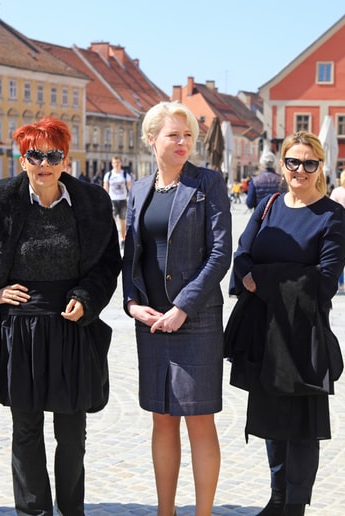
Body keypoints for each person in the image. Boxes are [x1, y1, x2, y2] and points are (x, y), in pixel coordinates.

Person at [0, 117, 121, 515]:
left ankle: (72, 510)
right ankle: (33, 511)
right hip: (17, 329)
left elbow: (109, 261)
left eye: (52, 155)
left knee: (72, 433)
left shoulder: (92, 202)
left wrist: (88, 298)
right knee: (26, 430)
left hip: (71, 326)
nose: (44, 163)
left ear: (64, 159)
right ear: (22, 160)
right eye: (34, 155)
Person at [226, 131, 345, 516]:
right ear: (282, 165)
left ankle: (295, 503)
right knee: (269, 418)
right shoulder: (268, 206)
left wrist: (263, 279)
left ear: (320, 168)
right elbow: (242, 256)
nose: (300, 169)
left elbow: (325, 281)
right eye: (293, 162)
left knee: (301, 424)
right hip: (264, 331)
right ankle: (277, 496)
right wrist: (267, 274)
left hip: (303, 332)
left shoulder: (331, 215)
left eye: (309, 163)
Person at [122, 101, 232, 516]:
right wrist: (133, 303)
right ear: (152, 140)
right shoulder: (137, 190)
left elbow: (221, 253)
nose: (183, 142)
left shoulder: (208, 183)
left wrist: (184, 306)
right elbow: (130, 254)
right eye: (173, 135)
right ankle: (164, 511)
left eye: (188, 135)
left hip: (197, 320)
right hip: (151, 321)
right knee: (161, 419)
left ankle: (202, 513)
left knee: (199, 420)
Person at [103, 155, 132, 245]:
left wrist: (131, 199)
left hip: (123, 200)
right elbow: (105, 189)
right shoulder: (108, 175)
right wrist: (104, 201)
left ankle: (123, 238)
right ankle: (113, 238)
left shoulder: (125, 175)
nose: (116, 164)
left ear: (121, 163)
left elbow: (130, 188)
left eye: (118, 162)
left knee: (123, 220)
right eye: (115, 163)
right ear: (112, 164)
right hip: (112, 200)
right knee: (113, 220)